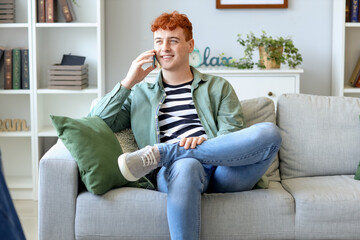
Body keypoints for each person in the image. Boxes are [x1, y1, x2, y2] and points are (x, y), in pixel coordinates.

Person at [89, 11, 282, 240]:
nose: (164, 48)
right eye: (158, 41)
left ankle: (165, 152)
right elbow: (97, 121)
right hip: (176, 172)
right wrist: (129, 81)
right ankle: (173, 155)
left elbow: (232, 137)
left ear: (190, 45)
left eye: (173, 40)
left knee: (270, 133)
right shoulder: (140, 94)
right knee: (187, 164)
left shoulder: (218, 87)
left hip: (223, 171)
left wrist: (205, 144)